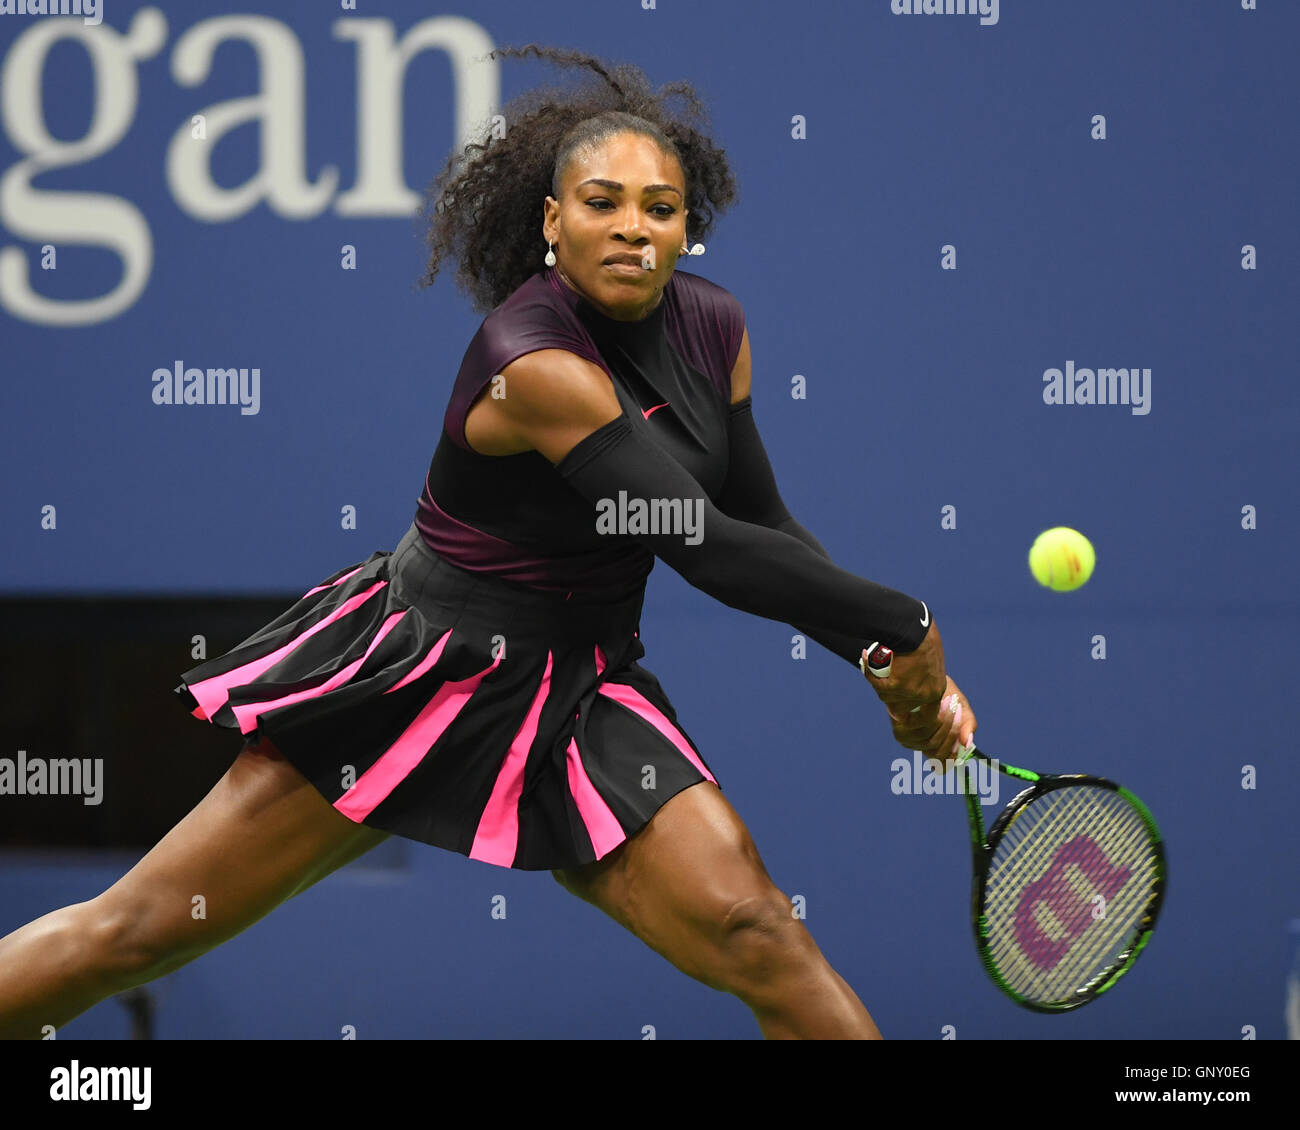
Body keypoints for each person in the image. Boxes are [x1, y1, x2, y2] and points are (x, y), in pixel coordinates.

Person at [0, 45, 977, 1041]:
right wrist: (903, 623)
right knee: (134, 934)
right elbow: (697, 541)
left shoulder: (715, 329)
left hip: (582, 687)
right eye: (601, 202)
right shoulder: (535, 361)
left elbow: (760, 519)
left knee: (759, 930)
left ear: (690, 228)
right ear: (552, 222)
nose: (632, 226)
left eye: (659, 207)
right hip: (418, 673)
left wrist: (880, 658)